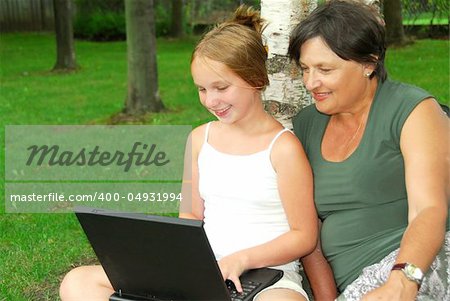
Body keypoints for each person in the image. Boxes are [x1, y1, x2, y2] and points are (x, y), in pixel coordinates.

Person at [59, 6, 318, 301]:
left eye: (221, 87)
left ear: (256, 79)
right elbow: (191, 215)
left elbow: (304, 235)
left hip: (268, 277)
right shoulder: (199, 140)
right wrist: (181, 265)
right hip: (202, 272)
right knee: (77, 283)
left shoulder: (283, 149)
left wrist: (242, 259)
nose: (211, 100)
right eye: (202, 89)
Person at [287, 1, 450, 300]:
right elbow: (308, 231)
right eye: (305, 69)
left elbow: (429, 209)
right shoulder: (307, 125)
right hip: (356, 285)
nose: (311, 83)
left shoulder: (412, 110)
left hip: (418, 265)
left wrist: (403, 280)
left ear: (369, 64)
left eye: (325, 69)